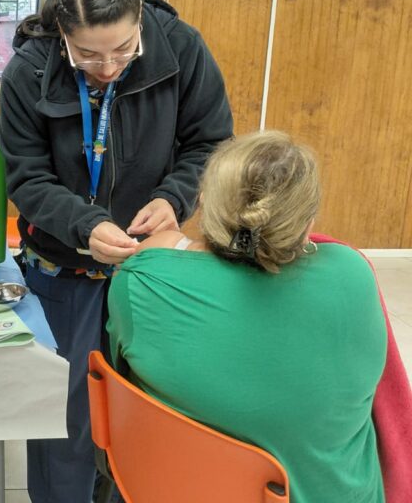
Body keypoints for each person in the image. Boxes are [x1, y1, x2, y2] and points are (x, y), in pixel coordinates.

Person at [0, 0, 233, 503]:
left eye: (124, 51)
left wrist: (172, 197)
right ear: (62, 35)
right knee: (66, 419)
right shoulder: (29, 69)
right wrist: (84, 223)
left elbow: (210, 142)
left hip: (149, 268)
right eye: (88, 55)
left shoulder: (180, 47)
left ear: (140, 23)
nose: (107, 69)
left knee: (147, 408)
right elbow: (27, 177)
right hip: (63, 270)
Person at [107, 131, 386, 503]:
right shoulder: (353, 273)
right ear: (307, 221)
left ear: (204, 202)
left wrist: (170, 244)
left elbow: (123, 371)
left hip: (181, 490)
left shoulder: (142, 280)